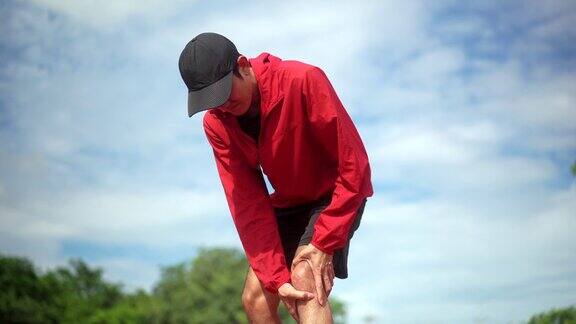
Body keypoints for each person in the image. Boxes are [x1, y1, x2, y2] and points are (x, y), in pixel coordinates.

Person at [178, 32, 373, 323]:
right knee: (256, 298)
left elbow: (354, 167)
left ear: (242, 65)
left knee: (306, 274)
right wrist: (275, 277)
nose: (220, 107)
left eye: (224, 94)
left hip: (336, 194)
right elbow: (247, 203)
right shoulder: (217, 125)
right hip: (289, 201)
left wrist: (323, 243)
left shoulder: (303, 80)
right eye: (210, 101)